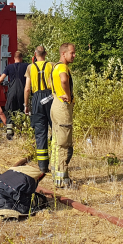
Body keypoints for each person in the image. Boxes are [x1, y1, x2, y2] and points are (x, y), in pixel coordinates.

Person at [23, 46, 54, 172]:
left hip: (36, 99)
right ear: (45, 54)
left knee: (40, 133)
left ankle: (42, 166)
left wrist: (26, 105)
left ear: (35, 55)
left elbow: (27, 88)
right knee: (56, 129)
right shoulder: (51, 65)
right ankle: (56, 161)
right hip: (51, 97)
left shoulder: (30, 67)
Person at [50, 43, 76, 188]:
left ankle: (57, 176)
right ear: (63, 54)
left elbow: (50, 84)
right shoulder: (62, 67)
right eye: (72, 53)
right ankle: (63, 180)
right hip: (62, 107)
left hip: (55, 104)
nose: (74, 55)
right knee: (64, 143)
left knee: (56, 141)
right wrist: (68, 94)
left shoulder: (54, 66)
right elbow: (64, 80)